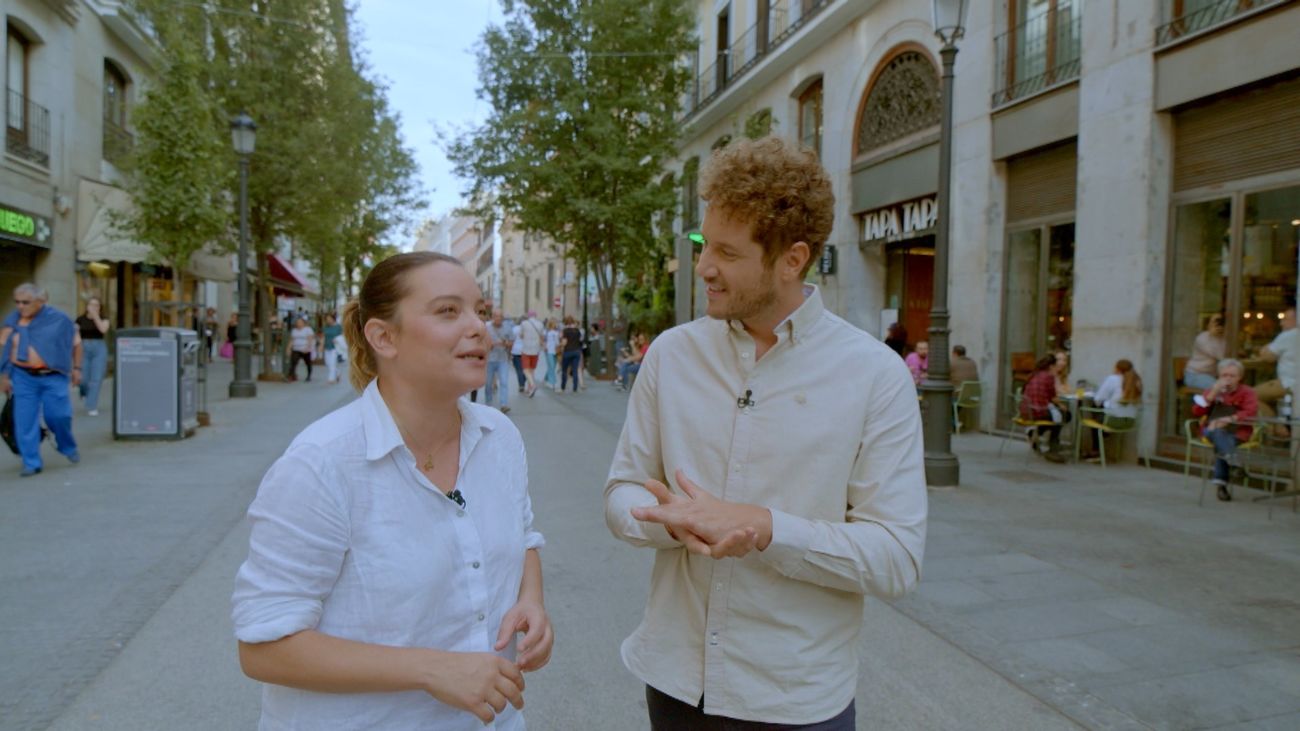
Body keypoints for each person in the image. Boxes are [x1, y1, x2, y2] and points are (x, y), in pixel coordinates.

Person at [604, 137, 926, 729]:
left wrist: (764, 527)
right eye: (704, 244)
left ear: (792, 259)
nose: (704, 265)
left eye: (726, 252)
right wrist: (670, 521)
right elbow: (622, 490)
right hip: (675, 682)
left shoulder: (875, 375)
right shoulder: (671, 355)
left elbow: (896, 557)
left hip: (795, 699)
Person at [231, 252, 551, 730]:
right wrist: (431, 668)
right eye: (448, 311)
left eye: (480, 311)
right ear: (383, 337)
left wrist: (531, 599)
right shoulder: (321, 464)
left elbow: (523, 535)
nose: (479, 328)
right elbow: (264, 648)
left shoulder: (499, 436)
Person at [1, 283, 81, 477]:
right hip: (23, 376)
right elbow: (5, 348)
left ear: (40, 301)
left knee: (59, 416)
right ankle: (31, 462)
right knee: (24, 420)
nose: (20, 306)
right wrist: (4, 375)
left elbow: (77, 344)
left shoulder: (59, 320)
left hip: (53, 375)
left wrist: (77, 369)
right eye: (17, 302)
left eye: (25, 302)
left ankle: (66, 445)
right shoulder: (12, 320)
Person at [1191, 358, 1257, 502]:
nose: (1228, 379)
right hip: (1211, 429)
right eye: (1224, 375)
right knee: (1216, 433)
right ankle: (1235, 464)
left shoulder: (1247, 392)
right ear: (1219, 376)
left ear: (1240, 377)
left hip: (1237, 431)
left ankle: (1222, 485)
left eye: (1232, 376)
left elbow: (1251, 412)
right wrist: (1212, 394)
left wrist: (1228, 419)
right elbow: (1196, 412)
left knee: (1221, 443)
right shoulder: (1212, 390)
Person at [1021, 354, 1070, 462]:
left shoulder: (1034, 375)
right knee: (1065, 415)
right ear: (1051, 366)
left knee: (1057, 416)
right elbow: (1053, 397)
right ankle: (1053, 448)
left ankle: (1035, 433)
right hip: (1038, 411)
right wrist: (1062, 406)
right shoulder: (1048, 377)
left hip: (1026, 410)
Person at [1253, 303, 1296, 420]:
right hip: (1292, 383)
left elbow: (1268, 357)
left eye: (1285, 320)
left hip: (1289, 383)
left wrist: (1265, 348)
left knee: (1249, 396)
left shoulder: (1288, 335)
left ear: (1296, 320)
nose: (1281, 323)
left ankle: (1275, 426)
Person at [77, 297, 110, 416]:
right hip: (83, 347)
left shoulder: (104, 319)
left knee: (96, 378)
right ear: (87, 306)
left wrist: (96, 316)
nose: (94, 307)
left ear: (100, 308)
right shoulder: (80, 320)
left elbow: (103, 330)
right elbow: (75, 335)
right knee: (83, 379)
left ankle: (91, 406)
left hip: (99, 348)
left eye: (97, 305)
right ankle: (83, 391)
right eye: (91, 304)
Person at [1184, 313, 1225, 391]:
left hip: (1211, 376)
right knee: (1221, 389)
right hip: (1195, 375)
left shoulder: (1223, 338)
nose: (1218, 324)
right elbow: (1220, 356)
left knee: (1230, 387)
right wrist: (1213, 335)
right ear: (1208, 324)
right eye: (1215, 321)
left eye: (1221, 321)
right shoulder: (1201, 338)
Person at [485, 310, 513, 413]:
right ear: (492, 317)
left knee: (504, 382)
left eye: (500, 316)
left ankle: (503, 404)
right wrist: (491, 344)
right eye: (496, 316)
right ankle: (488, 404)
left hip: (503, 359)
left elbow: (511, 342)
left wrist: (506, 343)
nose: (498, 318)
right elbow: (482, 342)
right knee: (488, 383)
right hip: (489, 359)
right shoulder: (486, 327)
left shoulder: (507, 327)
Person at [518, 310, 544, 397]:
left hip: (526, 349)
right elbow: (542, 336)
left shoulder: (524, 323)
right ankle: (530, 389)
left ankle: (532, 385)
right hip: (536, 349)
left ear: (528, 316)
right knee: (532, 370)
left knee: (525, 369)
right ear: (535, 316)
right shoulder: (540, 324)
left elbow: (521, 335)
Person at [287, 317, 315, 382]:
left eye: (300, 322)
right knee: (293, 362)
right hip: (296, 348)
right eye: (297, 322)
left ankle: (308, 376)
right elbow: (292, 340)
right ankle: (291, 376)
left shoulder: (308, 329)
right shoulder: (294, 330)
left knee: (308, 363)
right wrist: (288, 348)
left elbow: (310, 339)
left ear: (303, 323)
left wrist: (308, 348)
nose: (298, 324)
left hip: (305, 349)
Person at [559, 316, 582, 394]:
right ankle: (575, 388)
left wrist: (560, 345)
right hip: (577, 351)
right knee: (575, 370)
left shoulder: (565, 331)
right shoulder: (577, 330)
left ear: (566, 323)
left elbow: (564, 342)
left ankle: (563, 387)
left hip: (568, 351)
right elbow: (580, 340)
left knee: (564, 370)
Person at [319, 313, 344, 384]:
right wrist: (321, 346)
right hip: (327, 347)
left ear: (333, 319)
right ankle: (338, 372)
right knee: (328, 363)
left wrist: (338, 339)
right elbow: (323, 337)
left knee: (332, 363)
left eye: (330, 319)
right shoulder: (325, 328)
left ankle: (331, 379)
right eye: (327, 319)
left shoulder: (338, 327)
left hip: (335, 347)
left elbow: (343, 335)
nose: (328, 320)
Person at [509, 317, 526, 393]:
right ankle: (523, 381)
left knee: (519, 369)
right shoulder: (527, 329)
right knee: (525, 369)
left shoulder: (514, 329)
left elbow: (511, 340)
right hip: (526, 351)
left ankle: (521, 385)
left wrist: (510, 352)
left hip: (515, 351)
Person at [543, 319, 559, 390]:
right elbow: (543, 341)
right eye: (555, 323)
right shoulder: (546, 332)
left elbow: (557, 342)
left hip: (555, 351)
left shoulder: (557, 332)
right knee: (551, 366)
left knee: (553, 366)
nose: (556, 325)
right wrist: (545, 346)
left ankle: (546, 378)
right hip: (549, 351)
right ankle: (552, 382)